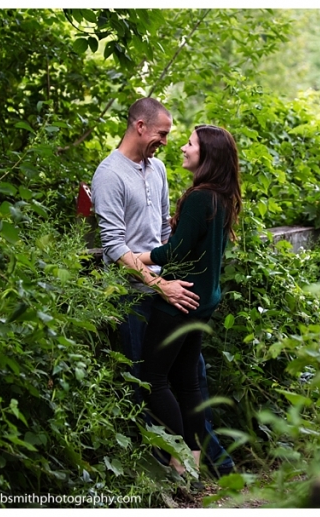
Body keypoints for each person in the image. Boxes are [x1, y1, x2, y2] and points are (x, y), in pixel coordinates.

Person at [91, 99, 235, 476]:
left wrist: (171, 280)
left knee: (189, 381)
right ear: (140, 126)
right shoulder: (109, 175)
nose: (168, 142)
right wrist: (159, 282)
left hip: (174, 293)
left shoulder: (158, 170)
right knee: (148, 385)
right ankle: (169, 469)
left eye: (175, 136)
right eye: (163, 133)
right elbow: (113, 245)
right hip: (135, 295)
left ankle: (199, 466)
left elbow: (168, 234)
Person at [134, 124, 242, 475]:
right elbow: (198, 242)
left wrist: (138, 257)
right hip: (204, 299)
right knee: (187, 381)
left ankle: (179, 455)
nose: (182, 147)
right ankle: (192, 464)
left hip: (179, 299)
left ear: (206, 155)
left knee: (152, 380)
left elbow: (175, 252)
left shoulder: (200, 197)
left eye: (190, 144)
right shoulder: (220, 197)